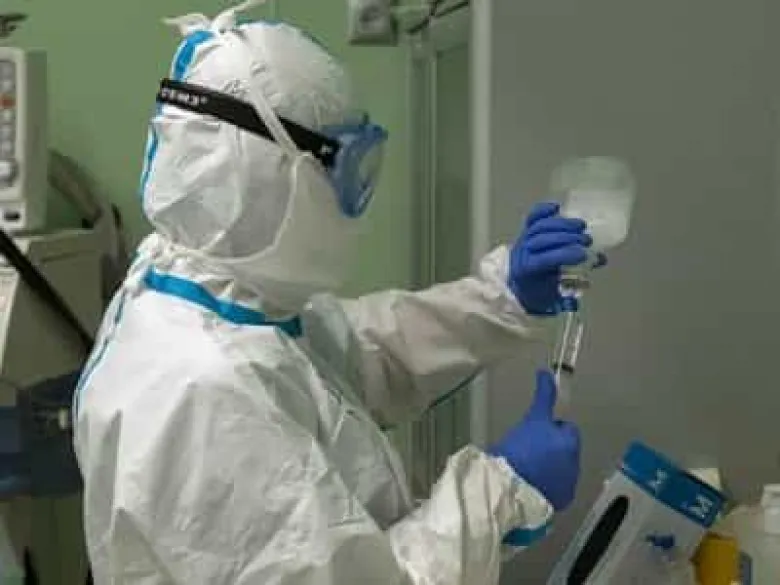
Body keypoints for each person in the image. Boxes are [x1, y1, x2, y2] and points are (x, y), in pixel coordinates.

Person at [73, 3, 594, 583]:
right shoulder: (198, 392)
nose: (360, 198)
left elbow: (360, 359)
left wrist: (504, 295)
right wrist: (503, 494)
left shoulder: (209, 295)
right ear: (271, 174)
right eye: (351, 169)